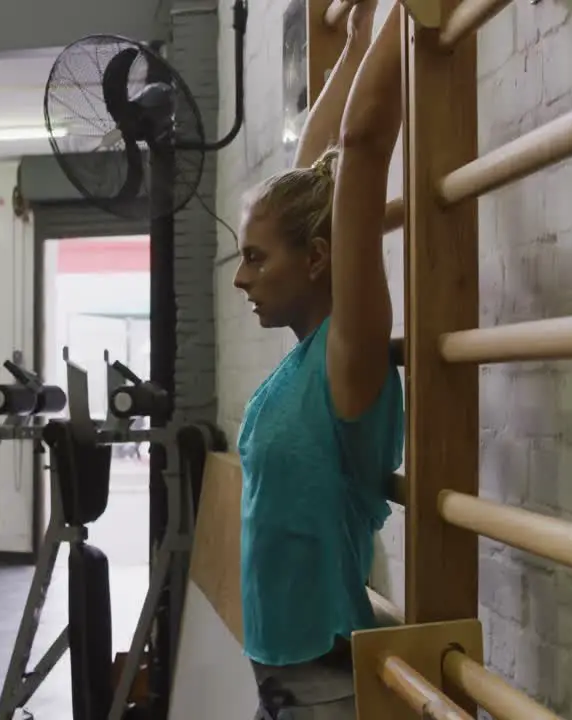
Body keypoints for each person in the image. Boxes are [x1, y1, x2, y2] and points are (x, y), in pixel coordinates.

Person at [231, 1, 405, 717]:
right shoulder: (303, 362)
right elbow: (313, 172)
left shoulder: (350, 359)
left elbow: (360, 148)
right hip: (280, 681)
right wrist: (354, 42)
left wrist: (405, 16)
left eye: (253, 259)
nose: (241, 277)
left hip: (329, 688)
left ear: (317, 259)